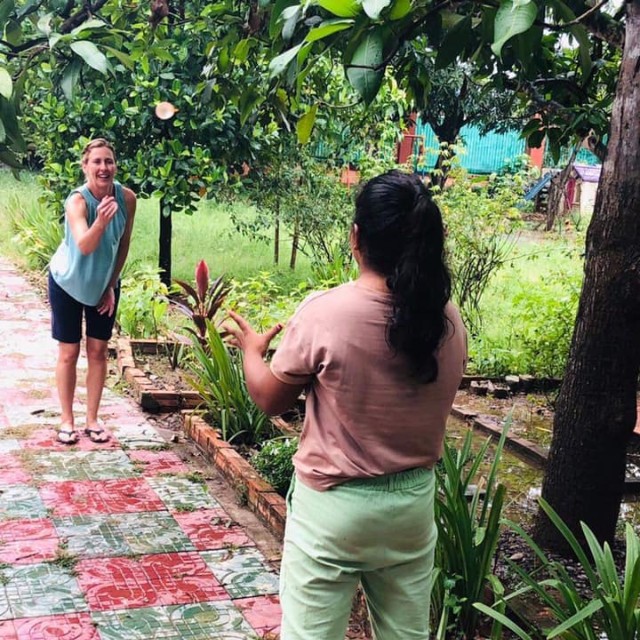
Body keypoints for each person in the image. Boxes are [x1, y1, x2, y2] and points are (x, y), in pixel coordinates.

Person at [226, 169, 467, 640]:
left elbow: (271, 400)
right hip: (412, 508)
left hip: (334, 510)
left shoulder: (326, 312)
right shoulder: (448, 320)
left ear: (357, 236)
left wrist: (252, 352)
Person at [48, 138, 136, 444]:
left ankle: (93, 420)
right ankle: (67, 420)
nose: (103, 167)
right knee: (69, 352)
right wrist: (100, 221)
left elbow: (123, 245)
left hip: (104, 286)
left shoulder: (127, 198)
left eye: (108, 161)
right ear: (85, 166)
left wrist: (111, 285)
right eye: (96, 161)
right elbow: (85, 245)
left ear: (115, 165)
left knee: (98, 351)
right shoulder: (77, 201)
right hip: (68, 282)